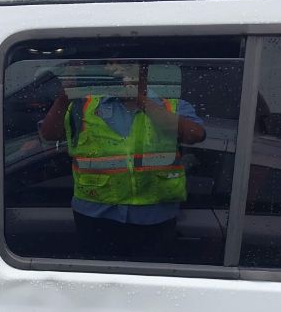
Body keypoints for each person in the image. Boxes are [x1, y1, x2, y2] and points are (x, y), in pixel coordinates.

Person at [39, 61, 206, 262]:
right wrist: (65, 96)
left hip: (155, 214)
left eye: (125, 68)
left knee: (149, 277)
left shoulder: (171, 105)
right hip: (95, 214)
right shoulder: (83, 106)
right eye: (112, 70)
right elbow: (49, 134)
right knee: (100, 277)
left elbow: (195, 135)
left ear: (143, 71)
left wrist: (141, 100)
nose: (117, 75)